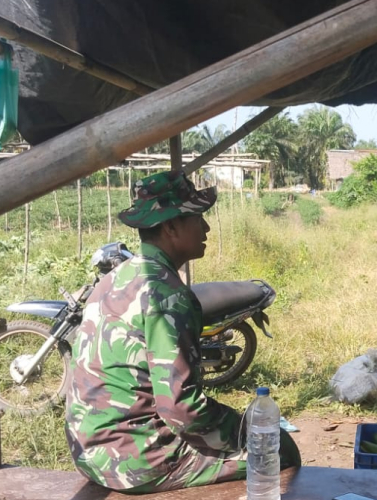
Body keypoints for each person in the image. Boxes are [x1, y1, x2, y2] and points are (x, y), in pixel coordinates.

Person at [65, 171, 246, 493]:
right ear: (171, 227)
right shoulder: (168, 295)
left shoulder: (116, 277)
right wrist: (248, 428)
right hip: (133, 462)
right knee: (278, 450)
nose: (206, 228)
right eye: (197, 218)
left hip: (87, 449)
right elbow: (181, 409)